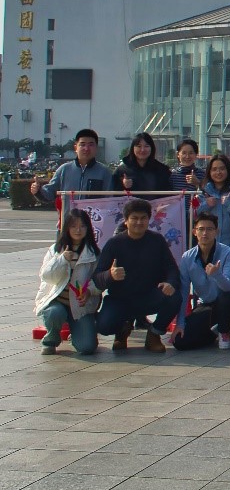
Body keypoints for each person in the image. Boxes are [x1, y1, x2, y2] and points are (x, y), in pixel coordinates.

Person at [92, 199, 181, 353]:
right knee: (104, 326)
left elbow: (172, 268)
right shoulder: (114, 243)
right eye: (134, 218)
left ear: (149, 219)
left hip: (148, 296)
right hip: (120, 299)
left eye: (143, 218)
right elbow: (97, 276)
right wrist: (110, 275)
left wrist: (170, 283)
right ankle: (122, 330)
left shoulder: (157, 240)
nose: (139, 222)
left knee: (174, 297)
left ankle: (154, 334)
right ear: (126, 220)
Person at [35, 208, 101, 355]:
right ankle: (51, 339)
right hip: (58, 302)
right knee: (54, 313)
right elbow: (46, 276)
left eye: (82, 226)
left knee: (87, 348)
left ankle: (76, 333)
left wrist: (89, 291)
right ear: (67, 228)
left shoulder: (94, 253)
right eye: (73, 226)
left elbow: (99, 280)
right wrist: (62, 260)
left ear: (88, 228)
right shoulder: (56, 249)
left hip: (80, 306)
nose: (78, 230)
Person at [174, 212, 230, 351]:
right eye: (201, 229)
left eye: (210, 229)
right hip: (206, 305)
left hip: (228, 300)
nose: (205, 233)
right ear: (194, 232)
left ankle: (224, 332)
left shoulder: (228, 252)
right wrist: (180, 324)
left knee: (227, 298)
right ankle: (212, 333)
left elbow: (228, 286)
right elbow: (184, 292)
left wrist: (217, 275)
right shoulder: (187, 257)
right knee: (180, 342)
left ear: (216, 231)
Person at [32, 129, 114, 210]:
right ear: (76, 148)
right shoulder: (64, 170)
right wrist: (38, 190)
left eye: (91, 145)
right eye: (82, 144)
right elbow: (49, 193)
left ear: (96, 148)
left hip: (94, 218)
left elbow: (110, 201)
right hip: (69, 218)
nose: (86, 148)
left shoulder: (105, 172)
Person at [200, 155, 230, 249]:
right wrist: (206, 205)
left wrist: (229, 204)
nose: (218, 172)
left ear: (228, 170)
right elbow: (194, 215)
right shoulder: (203, 190)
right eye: (214, 169)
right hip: (208, 245)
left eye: (222, 169)